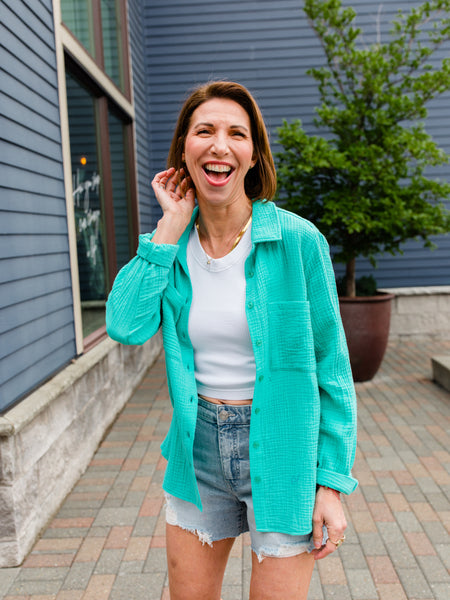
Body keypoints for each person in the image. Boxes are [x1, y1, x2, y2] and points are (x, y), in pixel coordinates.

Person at [106, 80, 358, 600]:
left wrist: (331, 483)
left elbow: (332, 367)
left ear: (252, 155)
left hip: (285, 452)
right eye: (205, 131)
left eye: (236, 134)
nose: (219, 144)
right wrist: (168, 229)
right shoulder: (170, 246)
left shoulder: (298, 240)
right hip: (197, 450)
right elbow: (125, 326)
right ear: (184, 151)